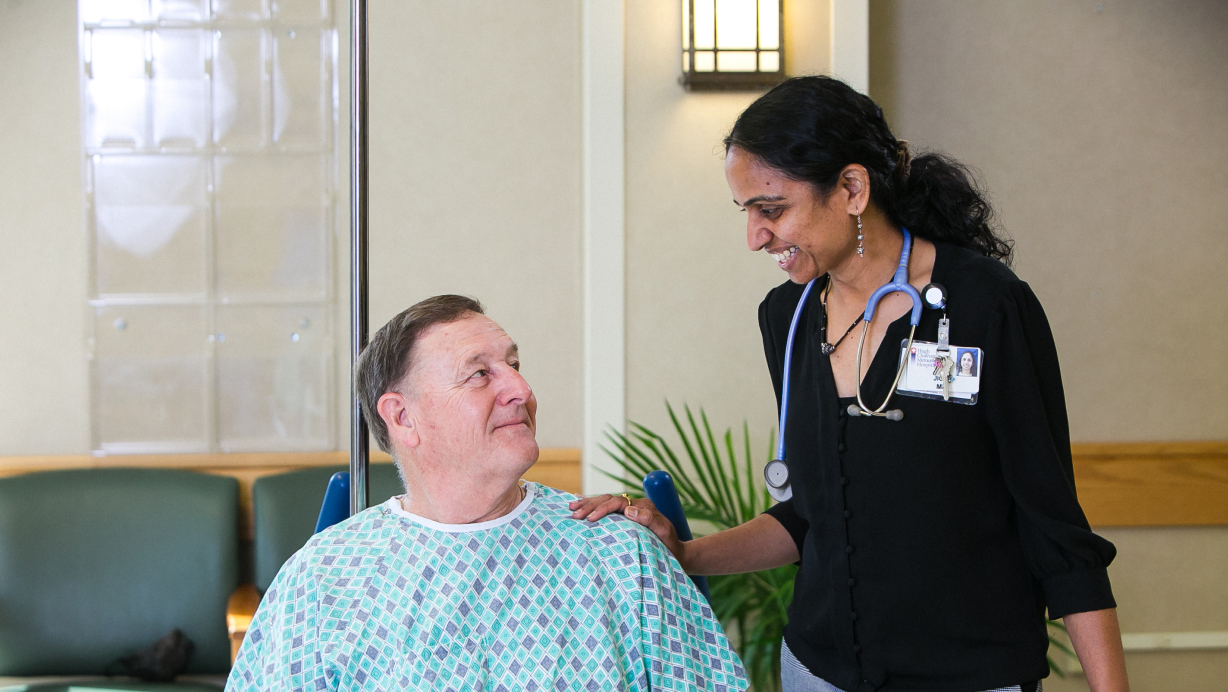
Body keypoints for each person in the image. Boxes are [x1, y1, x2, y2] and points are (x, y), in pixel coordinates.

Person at [571, 77, 1129, 692]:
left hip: (969, 676)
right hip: (818, 672)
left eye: (772, 209)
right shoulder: (786, 319)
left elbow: (1057, 532)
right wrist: (685, 552)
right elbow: (808, 516)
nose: (755, 236)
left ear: (852, 188)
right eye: (747, 212)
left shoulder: (987, 308)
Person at [227, 295, 748, 692]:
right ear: (403, 417)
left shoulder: (619, 554)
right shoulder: (323, 580)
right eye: (480, 374)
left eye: (514, 366)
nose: (520, 390)